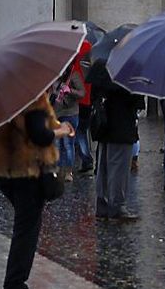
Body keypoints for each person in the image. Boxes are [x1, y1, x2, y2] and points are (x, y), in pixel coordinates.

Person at [0, 95, 72, 289]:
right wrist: (62, 131)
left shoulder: (2, 95)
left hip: (2, 165)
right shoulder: (32, 95)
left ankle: (15, 281)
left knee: (25, 223)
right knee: (27, 226)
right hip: (25, 169)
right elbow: (39, 135)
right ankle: (15, 283)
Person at [91, 65, 144, 221]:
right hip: (121, 127)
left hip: (104, 126)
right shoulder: (128, 72)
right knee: (118, 169)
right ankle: (116, 206)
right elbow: (134, 100)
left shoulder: (102, 67)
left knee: (104, 167)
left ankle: (103, 203)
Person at [52, 55, 86, 182]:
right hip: (56, 113)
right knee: (57, 143)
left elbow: (82, 93)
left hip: (70, 113)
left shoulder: (74, 75)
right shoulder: (55, 76)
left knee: (68, 143)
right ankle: (59, 169)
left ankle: (68, 172)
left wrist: (70, 90)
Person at [74, 41, 95, 175]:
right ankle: (86, 157)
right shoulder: (89, 50)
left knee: (79, 131)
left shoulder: (74, 51)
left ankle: (87, 159)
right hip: (88, 99)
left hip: (78, 100)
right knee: (83, 129)